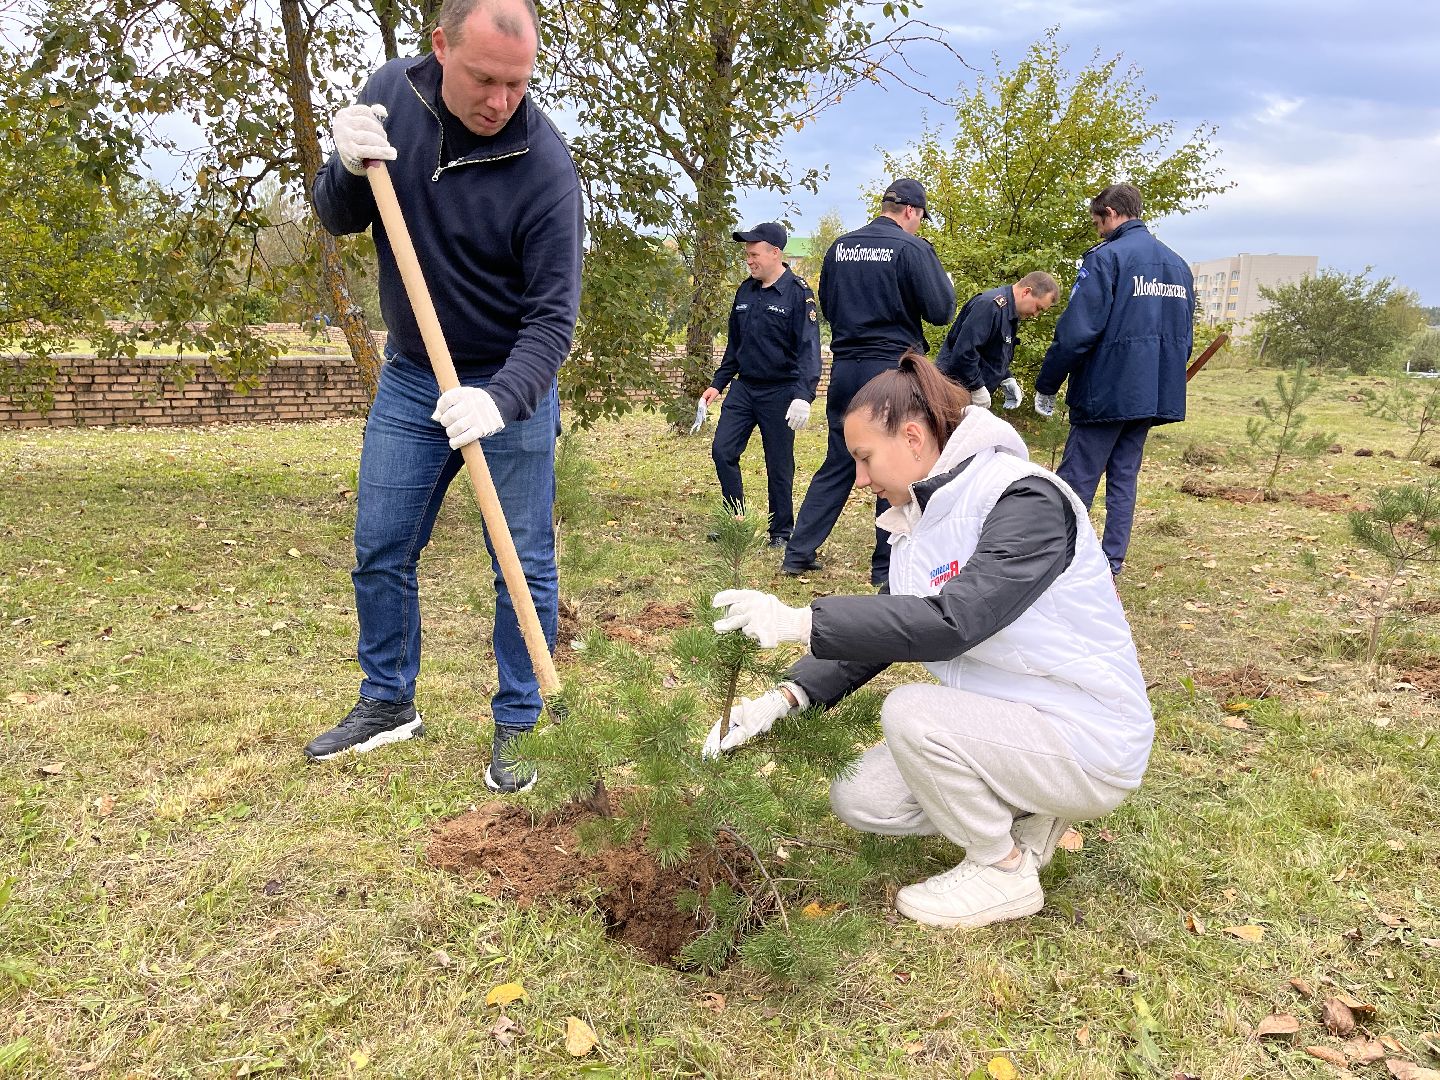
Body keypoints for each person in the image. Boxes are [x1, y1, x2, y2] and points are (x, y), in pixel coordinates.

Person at [704, 354, 1152, 929]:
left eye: (864, 458)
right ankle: (1034, 809)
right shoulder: (920, 524)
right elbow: (894, 629)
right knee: (861, 795)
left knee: (911, 711)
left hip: (1086, 738)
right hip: (1011, 726)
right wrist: (785, 697)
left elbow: (952, 622)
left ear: (913, 438)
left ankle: (1002, 869)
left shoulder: (1024, 500)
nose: (860, 479)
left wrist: (801, 621)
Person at [305, 0, 582, 794]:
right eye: (485, 79)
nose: (501, 100)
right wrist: (343, 166)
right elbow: (339, 214)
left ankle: (522, 721)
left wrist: (501, 401)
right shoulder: (392, 91)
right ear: (439, 47)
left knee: (520, 563)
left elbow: (553, 321)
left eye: (518, 83)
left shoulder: (546, 169)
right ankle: (389, 702)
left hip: (507, 380)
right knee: (380, 542)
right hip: (413, 373)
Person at [781, 178, 955, 586]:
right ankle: (885, 566)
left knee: (840, 460)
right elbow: (941, 311)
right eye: (920, 218)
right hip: (890, 370)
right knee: (893, 462)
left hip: (846, 368)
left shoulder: (840, 247)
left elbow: (827, 304)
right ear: (911, 211)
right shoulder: (913, 248)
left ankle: (798, 552)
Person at [1033, 184, 1193, 578]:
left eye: (1096, 222)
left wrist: (1048, 383)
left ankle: (1056, 562)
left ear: (1109, 212)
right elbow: (1184, 337)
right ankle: (1111, 562)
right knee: (1124, 477)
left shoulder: (1106, 259)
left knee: (1076, 479)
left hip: (1106, 390)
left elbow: (1076, 332)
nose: (1097, 231)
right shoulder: (1179, 265)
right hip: (1151, 393)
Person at [696, 222, 821, 547]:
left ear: (775, 253)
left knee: (778, 464)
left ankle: (780, 532)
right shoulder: (745, 291)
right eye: (747, 255)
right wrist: (717, 384)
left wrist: (803, 396)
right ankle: (735, 519)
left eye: (754, 254)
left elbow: (809, 349)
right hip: (744, 388)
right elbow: (736, 347)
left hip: (780, 391)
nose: (748, 260)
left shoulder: (798, 293)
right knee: (722, 451)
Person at [936, 272, 1059, 409]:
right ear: (1026, 292)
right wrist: (977, 387)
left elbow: (994, 353)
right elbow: (964, 353)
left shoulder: (1010, 315)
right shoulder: (989, 306)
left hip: (966, 396)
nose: (1036, 315)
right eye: (1038, 308)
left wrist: (1006, 377)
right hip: (952, 394)